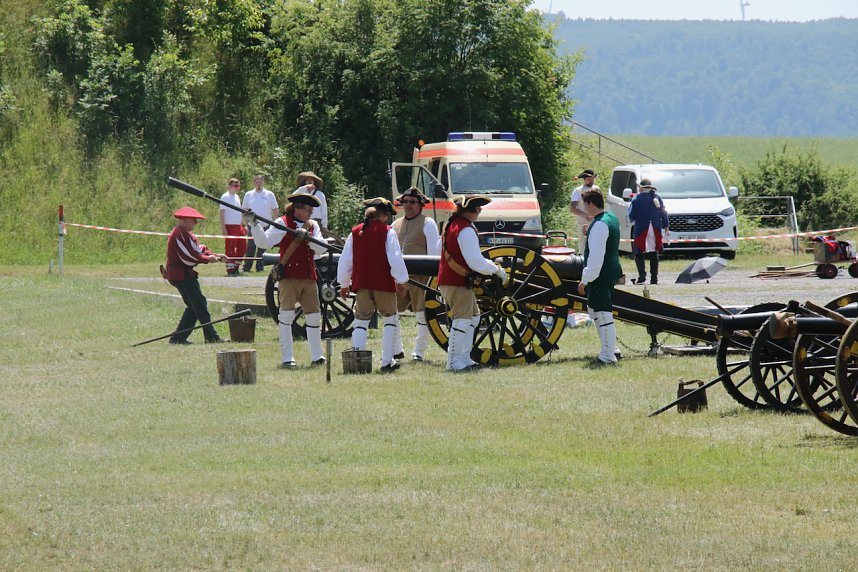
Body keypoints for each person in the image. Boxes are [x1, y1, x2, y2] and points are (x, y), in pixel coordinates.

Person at [246, 193, 328, 369]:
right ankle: (288, 358)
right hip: (289, 277)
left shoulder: (312, 226)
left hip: (308, 277)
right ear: (298, 208)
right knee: (286, 317)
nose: (310, 213)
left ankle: (317, 356)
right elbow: (264, 242)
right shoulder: (283, 223)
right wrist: (254, 224)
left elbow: (321, 248)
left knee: (314, 317)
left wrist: (308, 237)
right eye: (308, 209)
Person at [337, 197, 409, 372]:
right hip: (383, 283)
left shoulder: (355, 232)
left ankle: (358, 359)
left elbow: (346, 260)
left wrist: (344, 283)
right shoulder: (388, 231)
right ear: (383, 214)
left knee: (361, 320)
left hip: (362, 284)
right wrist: (401, 280)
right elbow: (395, 258)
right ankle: (386, 361)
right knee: (390, 318)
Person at [438, 195, 508, 372]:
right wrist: (497, 269)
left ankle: (464, 357)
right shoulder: (465, 229)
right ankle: (453, 362)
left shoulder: (452, 225)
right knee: (462, 320)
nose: (480, 211)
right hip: (457, 281)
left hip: (452, 280)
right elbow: (475, 261)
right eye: (478, 208)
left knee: (474, 317)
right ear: (472, 210)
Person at [163, 206, 228, 344]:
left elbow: (198, 249)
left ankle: (178, 338)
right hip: (181, 276)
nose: (196, 223)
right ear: (185, 219)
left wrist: (214, 255)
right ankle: (211, 337)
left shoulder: (185, 233)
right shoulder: (178, 234)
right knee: (198, 305)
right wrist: (207, 259)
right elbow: (188, 256)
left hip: (184, 275)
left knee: (195, 306)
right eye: (194, 220)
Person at [391, 187, 441, 362]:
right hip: (399, 276)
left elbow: (434, 253)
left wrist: (431, 279)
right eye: (405, 202)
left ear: (420, 205)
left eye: (412, 202)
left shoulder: (428, 223)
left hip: (421, 277)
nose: (408, 205)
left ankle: (418, 351)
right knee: (392, 313)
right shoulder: (395, 224)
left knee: (422, 315)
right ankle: (396, 350)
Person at [576, 190, 623, 365]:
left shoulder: (600, 225)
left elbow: (595, 259)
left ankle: (608, 356)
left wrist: (585, 279)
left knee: (603, 313)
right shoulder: (610, 218)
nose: (583, 209)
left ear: (590, 204)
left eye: (584, 205)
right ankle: (612, 350)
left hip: (600, 274)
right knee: (596, 311)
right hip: (610, 270)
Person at [628, 178, 670, 285]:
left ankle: (642, 276)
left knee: (638, 251)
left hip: (641, 227)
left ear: (641, 187)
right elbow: (664, 213)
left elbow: (631, 216)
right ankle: (654, 278)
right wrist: (666, 227)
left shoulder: (636, 198)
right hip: (655, 227)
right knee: (653, 252)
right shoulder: (657, 197)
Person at [241, 174, 279, 272]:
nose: (258, 183)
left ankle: (260, 267)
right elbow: (244, 210)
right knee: (251, 247)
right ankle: (247, 267)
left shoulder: (269, 194)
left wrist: (274, 223)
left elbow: (275, 209)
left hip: (266, 225)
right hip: (252, 225)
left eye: (260, 181)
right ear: (254, 183)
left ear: (263, 182)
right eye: (257, 182)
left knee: (262, 247)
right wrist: (246, 223)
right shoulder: (248, 194)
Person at [219, 177, 247, 276]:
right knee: (230, 248)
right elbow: (221, 213)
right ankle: (230, 270)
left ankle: (236, 266)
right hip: (229, 225)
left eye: (238, 185)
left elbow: (239, 212)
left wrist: (243, 225)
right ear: (230, 186)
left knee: (242, 246)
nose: (237, 187)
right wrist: (223, 228)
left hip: (238, 225)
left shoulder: (237, 197)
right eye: (235, 185)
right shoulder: (225, 197)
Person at [569, 168, 601, 253]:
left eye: (592, 178)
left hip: (596, 220)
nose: (591, 180)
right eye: (589, 178)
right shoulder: (578, 191)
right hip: (583, 222)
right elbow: (572, 208)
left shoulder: (597, 189)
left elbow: (601, 205)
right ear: (584, 179)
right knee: (583, 245)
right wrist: (585, 215)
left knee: (596, 244)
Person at [293, 171, 331, 239]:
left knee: (316, 239)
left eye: (311, 179)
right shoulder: (301, 192)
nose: (309, 181)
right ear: (305, 182)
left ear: (314, 182)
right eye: (308, 179)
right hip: (302, 219)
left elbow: (324, 210)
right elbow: (293, 197)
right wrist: (305, 188)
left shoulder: (320, 194)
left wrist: (324, 226)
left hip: (317, 221)